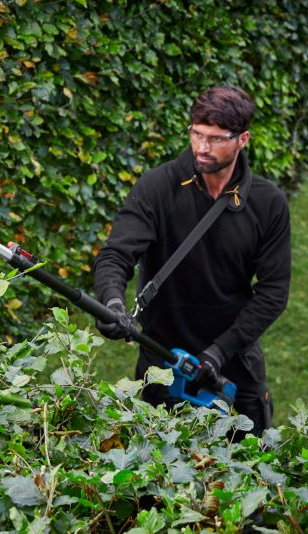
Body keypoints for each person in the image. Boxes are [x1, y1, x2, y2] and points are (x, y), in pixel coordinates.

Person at [93, 86, 291, 436]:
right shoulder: (158, 187)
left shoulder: (267, 203)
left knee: (249, 476)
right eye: (197, 134)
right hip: (163, 360)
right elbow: (116, 255)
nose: (202, 148)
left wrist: (217, 354)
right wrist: (111, 302)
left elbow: (274, 291)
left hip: (234, 364)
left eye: (216, 139)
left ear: (243, 139)